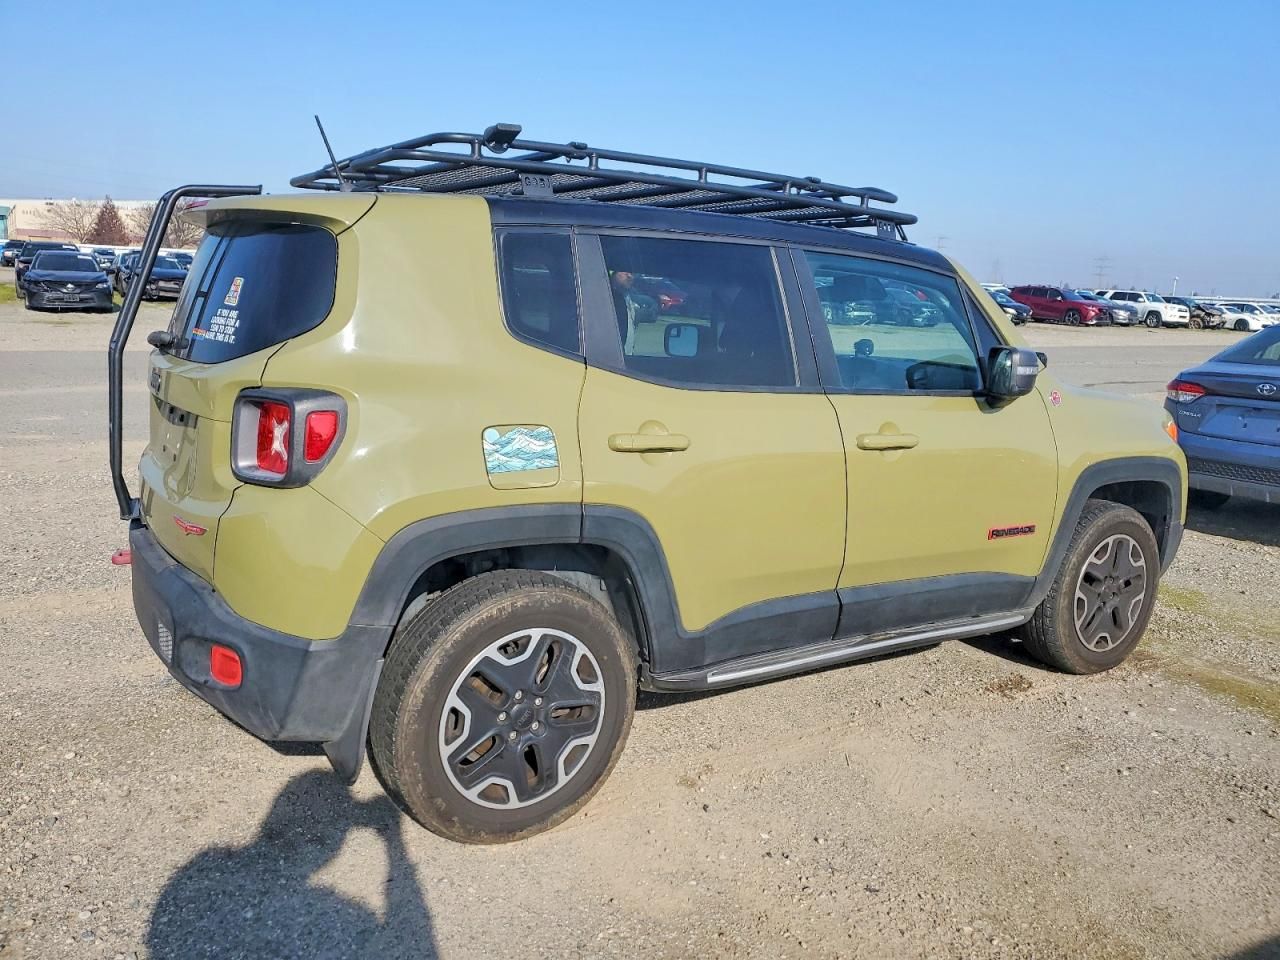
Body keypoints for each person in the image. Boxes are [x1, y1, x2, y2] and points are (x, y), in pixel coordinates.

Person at [610, 269, 658, 354]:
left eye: (632, 273)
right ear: (612, 273)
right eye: (624, 271)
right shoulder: (607, 299)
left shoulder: (628, 298)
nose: (630, 276)